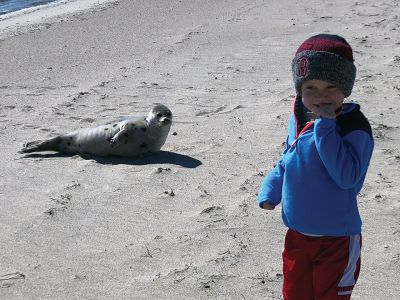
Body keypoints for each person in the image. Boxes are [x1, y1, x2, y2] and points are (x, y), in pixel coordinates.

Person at [258, 34, 374, 299]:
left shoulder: (353, 127)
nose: (320, 96)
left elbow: (346, 177)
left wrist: (326, 127)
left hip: (337, 240)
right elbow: (288, 159)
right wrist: (271, 189)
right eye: (310, 87)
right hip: (298, 233)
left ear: (345, 88)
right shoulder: (299, 118)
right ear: (300, 89)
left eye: (330, 87)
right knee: (295, 293)